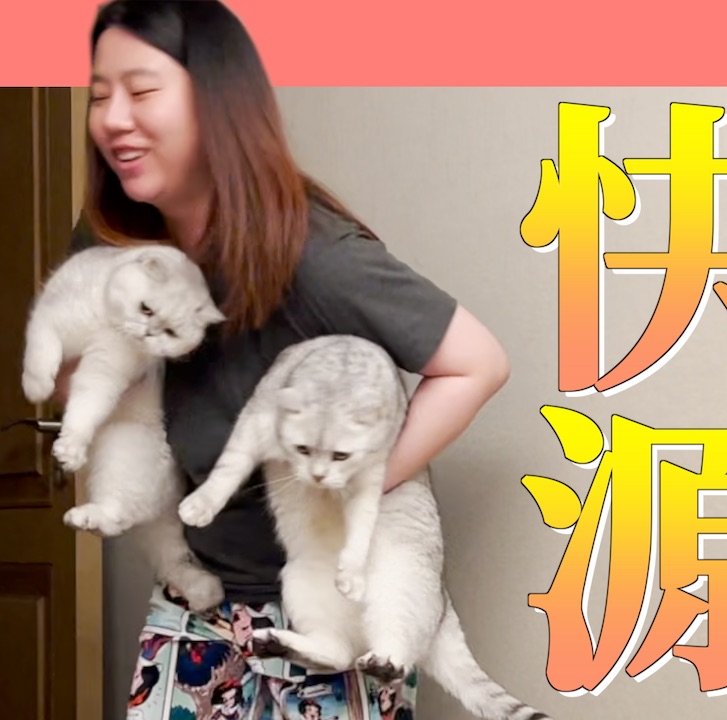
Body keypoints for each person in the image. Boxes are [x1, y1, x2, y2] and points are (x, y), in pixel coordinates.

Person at [63, 1, 510, 718]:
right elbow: (85, 389)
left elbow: (477, 364)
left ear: (218, 103)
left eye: (142, 91)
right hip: (195, 607)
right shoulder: (111, 244)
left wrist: (354, 491)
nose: (114, 119)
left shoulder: (318, 257)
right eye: (98, 95)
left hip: (328, 610)